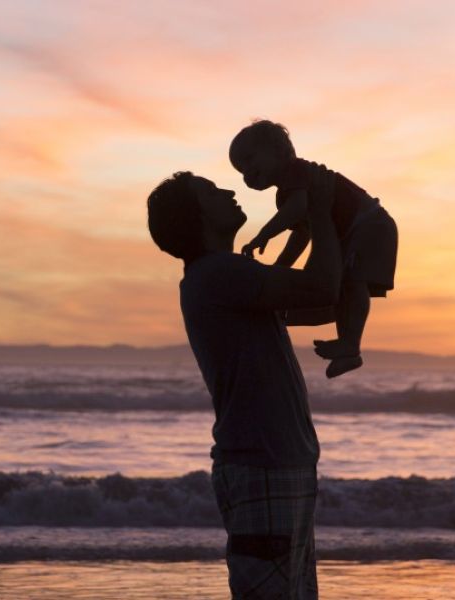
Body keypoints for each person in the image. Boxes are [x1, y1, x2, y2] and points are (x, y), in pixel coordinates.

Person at [146, 166, 340, 599]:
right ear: (197, 216)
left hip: (275, 462)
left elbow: (317, 299)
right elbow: (323, 289)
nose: (228, 191)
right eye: (212, 191)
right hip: (264, 463)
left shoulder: (223, 275)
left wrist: (310, 235)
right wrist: (324, 211)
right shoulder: (218, 272)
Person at [230, 120, 399, 379]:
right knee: (344, 286)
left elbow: (297, 211)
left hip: (369, 225)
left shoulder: (298, 172)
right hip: (355, 232)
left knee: (353, 284)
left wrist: (263, 235)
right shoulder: (285, 195)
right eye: (241, 170)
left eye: (250, 160)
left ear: (279, 150)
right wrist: (279, 269)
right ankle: (349, 350)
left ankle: (350, 344)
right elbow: (302, 233)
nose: (248, 172)